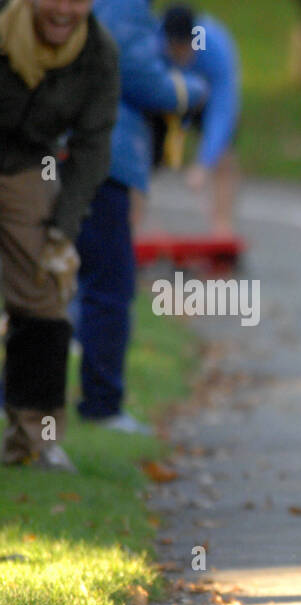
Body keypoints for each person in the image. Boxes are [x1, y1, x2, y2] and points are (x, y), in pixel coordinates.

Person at [71, 0, 207, 436]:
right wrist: (191, 91)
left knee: (43, 280)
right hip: (101, 156)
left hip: (67, 151)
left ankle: (18, 398)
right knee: (108, 286)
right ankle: (102, 404)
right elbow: (140, 78)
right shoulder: (125, 8)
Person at [1, 0, 119, 471]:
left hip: (30, 166)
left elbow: (92, 149)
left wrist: (61, 232)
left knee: (47, 296)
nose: (65, 9)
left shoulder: (97, 53)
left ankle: (35, 441)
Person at [160, 4, 239, 235]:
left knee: (225, 153)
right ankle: (133, 222)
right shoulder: (154, 44)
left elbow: (223, 111)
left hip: (207, 99)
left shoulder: (214, 46)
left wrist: (204, 164)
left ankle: (222, 226)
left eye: (184, 47)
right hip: (167, 92)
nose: (180, 53)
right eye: (174, 47)